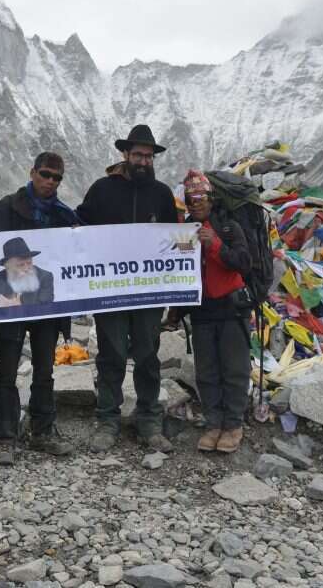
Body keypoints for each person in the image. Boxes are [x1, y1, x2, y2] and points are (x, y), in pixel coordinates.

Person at [76, 125, 179, 453]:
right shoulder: (102, 189)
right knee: (112, 353)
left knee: (148, 354)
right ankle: (107, 419)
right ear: (125, 154)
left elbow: (175, 241)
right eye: (138, 155)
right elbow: (80, 228)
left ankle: (148, 418)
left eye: (149, 156)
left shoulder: (162, 194)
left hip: (149, 292)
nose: (143, 161)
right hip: (110, 290)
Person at [0, 152, 80, 464]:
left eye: (56, 177)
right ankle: (5, 436)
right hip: (9, 307)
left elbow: (78, 254)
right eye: (45, 174)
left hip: (47, 308)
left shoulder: (66, 216)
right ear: (32, 172)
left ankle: (42, 430)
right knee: (7, 371)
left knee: (45, 370)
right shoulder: (6, 207)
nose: (50, 181)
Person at [181, 170, 253, 453]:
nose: (195, 202)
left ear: (211, 198)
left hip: (232, 308)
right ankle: (214, 424)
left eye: (200, 196)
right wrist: (176, 313)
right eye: (189, 198)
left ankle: (233, 425)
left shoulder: (228, 227)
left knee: (234, 369)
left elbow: (244, 262)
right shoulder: (184, 231)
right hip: (201, 311)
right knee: (207, 370)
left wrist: (215, 246)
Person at [0, 237, 54, 310]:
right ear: (8, 267)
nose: (26, 268)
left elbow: (46, 305)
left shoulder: (45, 277)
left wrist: (18, 305)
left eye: (29, 263)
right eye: (20, 265)